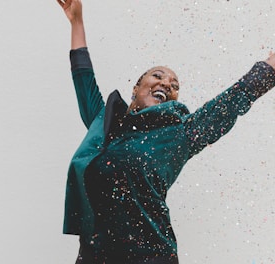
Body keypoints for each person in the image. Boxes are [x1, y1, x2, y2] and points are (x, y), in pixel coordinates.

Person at [57, 0, 275, 263]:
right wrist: (76, 22)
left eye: (174, 85)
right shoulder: (103, 126)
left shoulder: (179, 135)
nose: (166, 84)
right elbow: (84, 78)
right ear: (137, 87)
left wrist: (271, 65)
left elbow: (229, 104)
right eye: (157, 76)